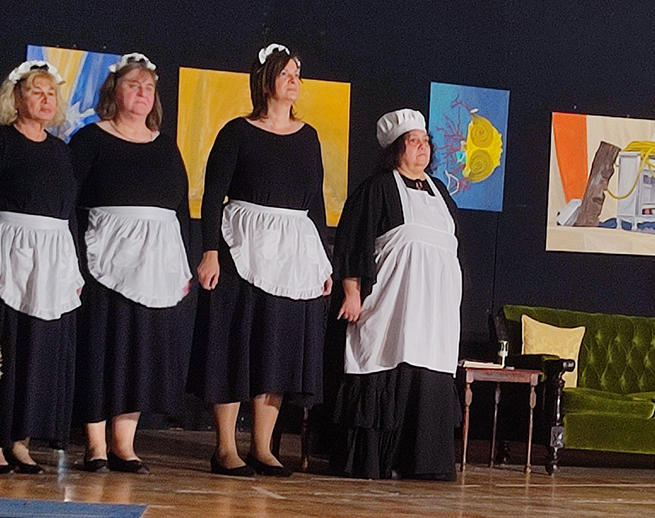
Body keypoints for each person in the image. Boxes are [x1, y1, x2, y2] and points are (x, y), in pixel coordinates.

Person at [189, 44, 333, 477]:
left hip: (293, 252)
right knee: (234, 345)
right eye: (286, 73)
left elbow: (316, 203)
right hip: (241, 247)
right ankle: (225, 449)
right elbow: (213, 196)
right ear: (265, 80)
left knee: (277, 348)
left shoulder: (308, 137)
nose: (294, 81)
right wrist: (210, 252)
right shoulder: (237, 132)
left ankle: (263, 447)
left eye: (297, 74)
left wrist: (324, 262)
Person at [0, 60, 84, 474]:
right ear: (15, 97)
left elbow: (69, 214)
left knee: (38, 350)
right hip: (8, 255)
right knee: (7, 348)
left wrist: (74, 269)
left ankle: (21, 440)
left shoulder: (61, 152)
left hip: (52, 260)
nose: (45, 100)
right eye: (36, 92)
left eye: (51, 94)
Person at [70, 53, 193, 474]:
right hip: (104, 260)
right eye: (133, 85)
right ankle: (95, 445)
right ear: (114, 91)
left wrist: (180, 265)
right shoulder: (90, 140)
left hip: (154, 263)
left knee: (139, 354)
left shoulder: (165, 145)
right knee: (102, 350)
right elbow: (67, 203)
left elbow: (179, 208)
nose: (142, 93)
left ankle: (124, 444)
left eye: (149, 87)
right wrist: (73, 261)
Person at [331, 108, 462, 481]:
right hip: (391, 304)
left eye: (426, 141)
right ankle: (376, 459)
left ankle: (421, 462)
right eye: (413, 141)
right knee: (385, 359)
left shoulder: (441, 193)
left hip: (434, 310)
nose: (422, 148)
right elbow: (353, 242)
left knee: (428, 372)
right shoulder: (377, 188)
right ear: (395, 148)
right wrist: (352, 292)